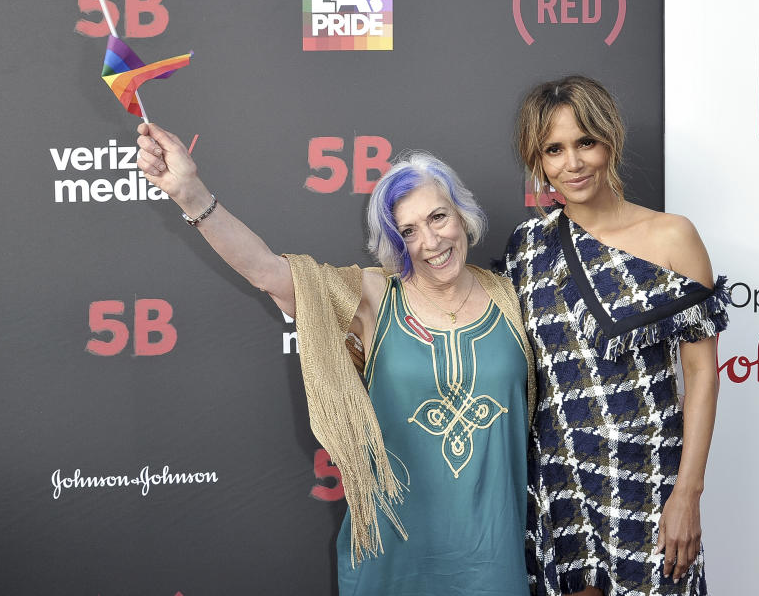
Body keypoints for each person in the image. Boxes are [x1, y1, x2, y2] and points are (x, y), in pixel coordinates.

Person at [134, 123, 536, 596]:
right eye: (408, 230)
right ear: (394, 242)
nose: (430, 241)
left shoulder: (516, 295)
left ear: (463, 216)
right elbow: (270, 272)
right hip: (392, 559)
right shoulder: (371, 296)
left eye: (438, 217)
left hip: (493, 558)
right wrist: (191, 194)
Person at [502, 76, 730, 596]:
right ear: (538, 161)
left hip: (647, 472)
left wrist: (687, 493)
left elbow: (701, 372)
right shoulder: (528, 247)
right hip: (558, 475)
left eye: (585, 142)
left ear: (610, 141)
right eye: (553, 150)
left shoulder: (673, 236)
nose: (573, 164)